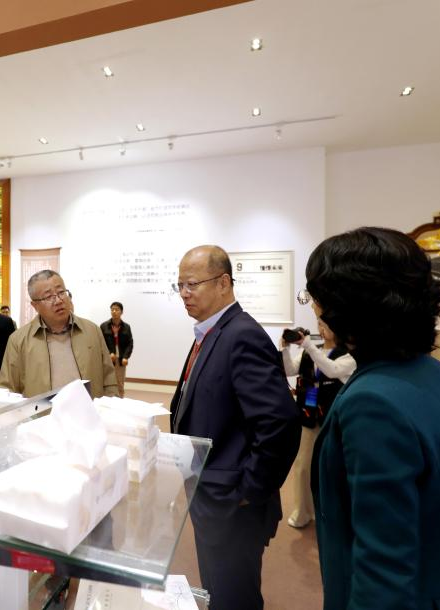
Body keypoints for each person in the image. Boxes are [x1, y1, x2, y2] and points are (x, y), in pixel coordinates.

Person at [307, 227, 440, 609]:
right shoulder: (434, 374)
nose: (315, 310)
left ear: (345, 306)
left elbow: (383, 569)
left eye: (316, 299)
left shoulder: (372, 403)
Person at [170, 245, 300, 610]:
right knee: (217, 592)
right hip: (211, 496)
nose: (184, 293)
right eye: (180, 285)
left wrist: (247, 491)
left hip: (232, 506)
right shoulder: (212, 332)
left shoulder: (241, 334)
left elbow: (279, 423)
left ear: (223, 283)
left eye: (192, 284)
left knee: (234, 598)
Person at [280, 319, 354, 529]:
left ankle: (334, 512)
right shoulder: (311, 351)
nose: (321, 329)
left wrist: (308, 346)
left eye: (326, 325)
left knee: (333, 467)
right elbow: (289, 370)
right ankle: (302, 511)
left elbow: (331, 370)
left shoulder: (348, 356)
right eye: (319, 324)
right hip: (308, 414)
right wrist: (284, 349)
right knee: (302, 466)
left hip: (333, 418)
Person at [0, 270, 117, 398]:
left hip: (89, 409)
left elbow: (109, 380)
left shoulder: (92, 330)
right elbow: (8, 390)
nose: (59, 301)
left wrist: (110, 407)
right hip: (42, 411)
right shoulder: (18, 340)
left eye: (61, 292)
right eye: (49, 297)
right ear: (35, 305)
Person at [99, 302, 133, 397]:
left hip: (120, 360)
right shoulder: (104, 326)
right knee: (106, 381)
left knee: (120, 383)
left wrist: (126, 357)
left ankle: (120, 400)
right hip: (108, 359)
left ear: (121, 312)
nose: (114, 311)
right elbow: (101, 343)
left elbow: (130, 344)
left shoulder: (126, 327)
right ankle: (107, 401)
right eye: (112, 309)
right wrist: (109, 353)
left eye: (116, 309)